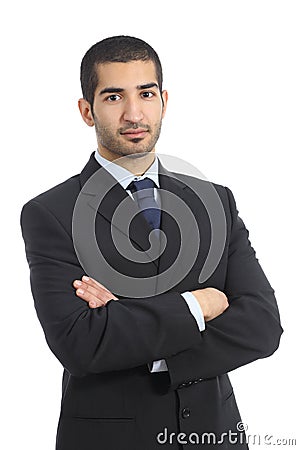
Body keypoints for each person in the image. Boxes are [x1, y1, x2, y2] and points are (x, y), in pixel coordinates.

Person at [20, 35, 283, 450]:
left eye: (145, 93)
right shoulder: (51, 213)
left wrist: (127, 324)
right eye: (113, 97)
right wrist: (201, 304)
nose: (133, 112)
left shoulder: (214, 201)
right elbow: (82, 344)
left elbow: (263, 326)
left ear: (164, 100)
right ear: (87, 111)